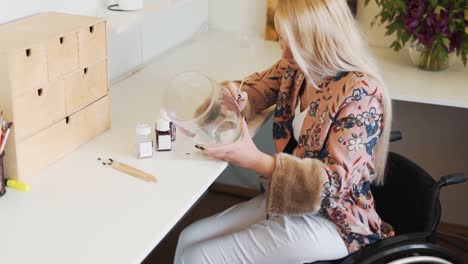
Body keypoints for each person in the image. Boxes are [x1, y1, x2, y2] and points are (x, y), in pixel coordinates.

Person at [174, 0, 394, 263]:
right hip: (290, 202)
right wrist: (236, 98)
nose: (285, 55)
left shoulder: (361, 93)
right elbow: (251, 89)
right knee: (188, 238)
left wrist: (256, 161)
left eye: (297, 45)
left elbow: (332, 183)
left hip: (337, 222)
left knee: (200, 257)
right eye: (282, 40)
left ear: (324, 40)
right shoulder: (295, 69)